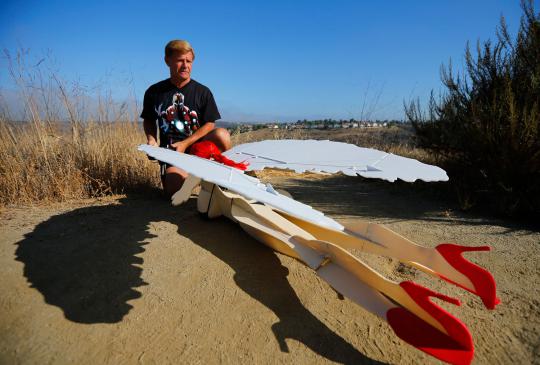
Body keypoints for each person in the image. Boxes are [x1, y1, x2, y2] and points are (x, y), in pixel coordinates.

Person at [141, 40, 231, 197]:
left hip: (200, 150)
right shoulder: (154, 92)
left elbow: (210, 124)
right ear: (167, 61)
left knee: (222, 135)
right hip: (173, 153)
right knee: (174, 191)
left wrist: (185, 143)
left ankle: (228, 175)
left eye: (189, 61)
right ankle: (194, 178)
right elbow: (149, 119)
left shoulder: (203, 92)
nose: (185, 66)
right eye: (180, 60)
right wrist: (151, 141)